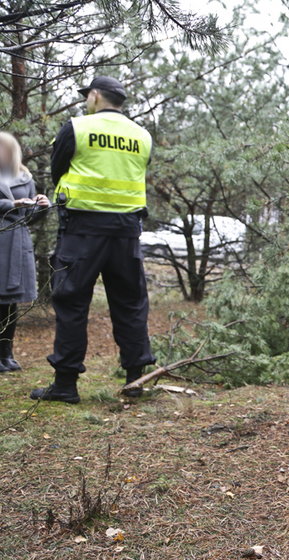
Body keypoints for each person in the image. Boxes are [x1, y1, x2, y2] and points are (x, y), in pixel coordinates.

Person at [30, 76, 155, 404]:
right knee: (130, 303)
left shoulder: (78, 127)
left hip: (83, 229)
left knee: (71, 303)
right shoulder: (142, 136)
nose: (87, 100)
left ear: (96, 96)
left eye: (88, 96)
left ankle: (66, 384)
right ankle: (136, 378)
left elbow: (58, 172)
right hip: (127, 231)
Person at [0, 133, 50, 372]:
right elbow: (14, 207)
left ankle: (6, 354)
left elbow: (29, 218)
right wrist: (12, 204)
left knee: (10, 304)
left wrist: (41, 207)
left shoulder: (26, 178)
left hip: (15, 245)